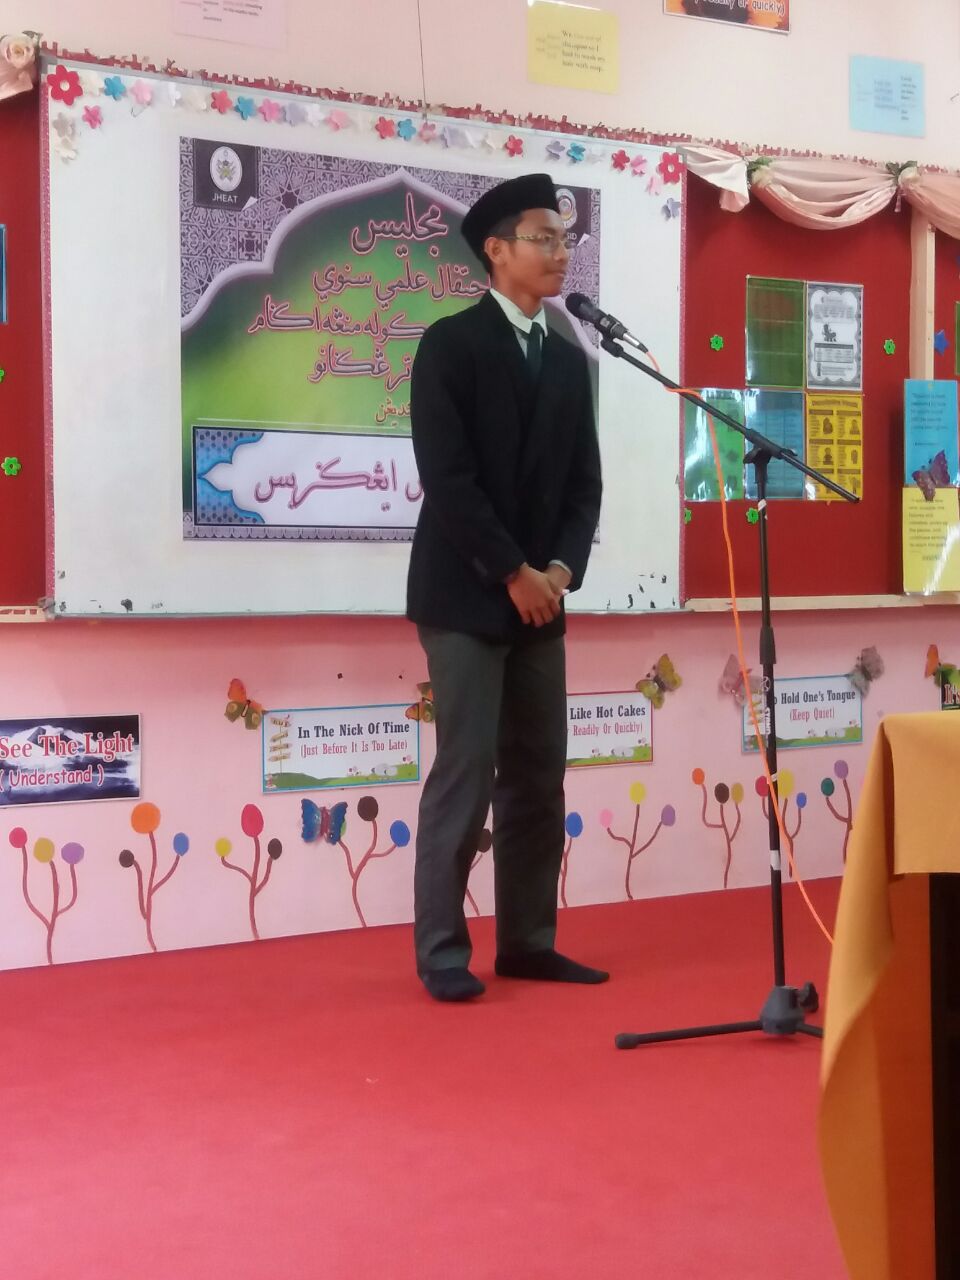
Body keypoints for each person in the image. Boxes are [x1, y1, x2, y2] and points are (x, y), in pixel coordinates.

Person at [406, 173, 606, 1002]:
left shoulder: (568, 358)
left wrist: (557, 572)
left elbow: (583, 487)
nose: (561, 253)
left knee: (538, 775)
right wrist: (512, 571)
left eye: (565, 240)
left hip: (540, 602)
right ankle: (442, 953)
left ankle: (527, 942)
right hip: (464, 596)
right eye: (544, 238)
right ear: (496, 250)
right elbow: (449, 482)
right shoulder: (450, 345)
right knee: (467, 771)